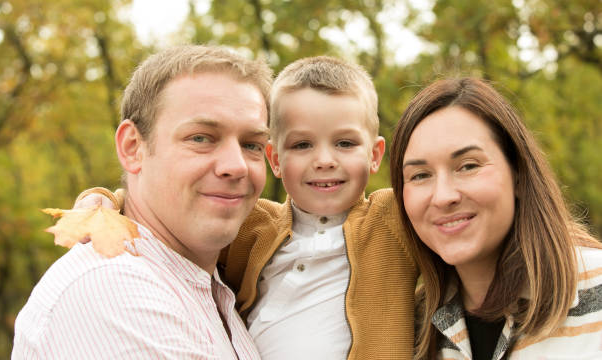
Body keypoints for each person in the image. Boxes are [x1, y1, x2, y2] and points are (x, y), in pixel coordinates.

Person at [72, 56, 419, 359]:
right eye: (302, 145)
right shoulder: (254, 227)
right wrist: (104, 201)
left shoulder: (391, 218)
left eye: (345, 143)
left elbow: (438, 204)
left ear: (374, 155)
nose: (325, 160)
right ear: (275, 159)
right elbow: (165, 208)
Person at [12, 45, 273, 359]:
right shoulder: (112, 287)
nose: (237, 165)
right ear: (133, 147)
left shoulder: (217, 283)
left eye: (252, 145)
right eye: (201, 138)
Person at [389, 77, 602, 359]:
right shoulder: (409, 328)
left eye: (467, 166)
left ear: (517, 173)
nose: (442, 196)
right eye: (420, 175)